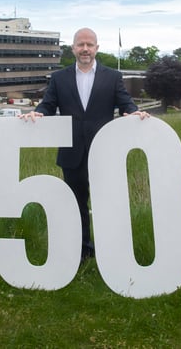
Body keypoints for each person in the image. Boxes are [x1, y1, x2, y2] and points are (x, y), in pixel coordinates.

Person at [20, 27, 149, 262]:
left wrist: (134, 113)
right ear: (73, 49)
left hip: (104, 152)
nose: (85, 49)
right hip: (72, 153)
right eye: (81, 44)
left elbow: (125, 104)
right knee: (76, 204)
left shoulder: (112, 77)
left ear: (97, 48)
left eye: (90, 45)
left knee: (106, 203)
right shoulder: (59, 78)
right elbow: (48, 105)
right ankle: (82, 250)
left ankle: (111, 252)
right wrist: (38, 113)